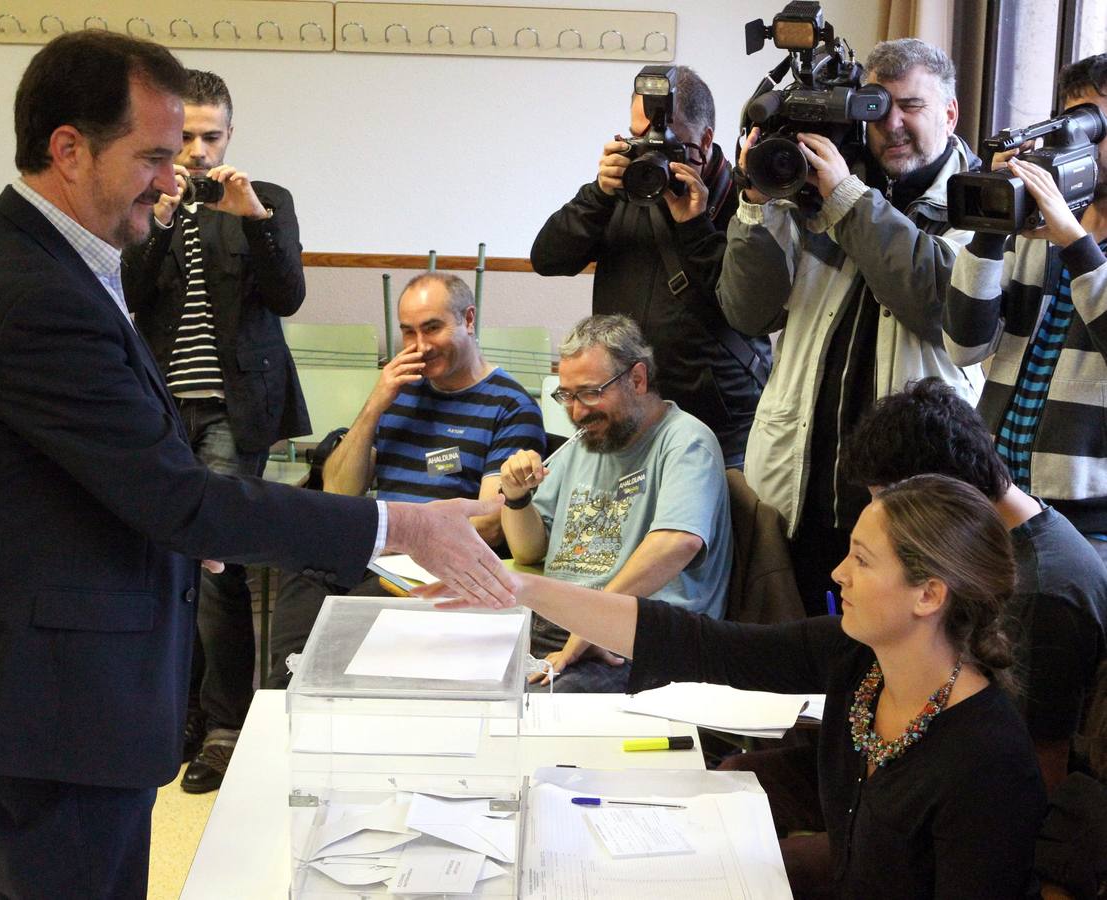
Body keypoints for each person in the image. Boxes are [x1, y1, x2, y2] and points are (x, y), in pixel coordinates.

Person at [0, 32, 513, 898]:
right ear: (68, 149)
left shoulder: (39, 259)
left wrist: (176, 528)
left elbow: (80, 473)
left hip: (39, 675)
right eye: (152, 154)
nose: (171, 177)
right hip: (54, 693)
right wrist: (398, 522)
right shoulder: (28, 292)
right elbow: (174, 495)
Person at [432, 475, 1048, 898]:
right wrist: (521, 590)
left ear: (929, 594)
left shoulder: (986, 762)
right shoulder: (858, 658)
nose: (838, 573)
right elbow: (700, 644)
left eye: (861, 559)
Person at [718, 38, 985, 612]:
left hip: (911, 493)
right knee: (790, 665)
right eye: (875, 106)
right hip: (802, 484)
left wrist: (846, 198)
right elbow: (748, 312)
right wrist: (757, 203)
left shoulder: (981, 205)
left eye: (910, 105)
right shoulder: (814, 188)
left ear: (950, 112)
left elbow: (941, 304)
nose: (891, 124)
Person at [121, 68, 309, 794]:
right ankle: (185, 711)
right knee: (168, 558)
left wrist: (253, 214)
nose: (196, 150)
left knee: (219, 564)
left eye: (211, 135)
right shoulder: (149, 201)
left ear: (230, 136)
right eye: (185, 136)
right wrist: (161, 221)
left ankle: (227, 724)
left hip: (239, 407)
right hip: (163, 405)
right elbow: (131, 296)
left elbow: (287, 296)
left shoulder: (266, 200)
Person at [267, 272, 545, 688]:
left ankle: (301, 694)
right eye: (408, 332)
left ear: (468, 320)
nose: (420, 346)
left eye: (433, 328)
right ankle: (285, 693)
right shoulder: (400, 394)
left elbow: (489, 523)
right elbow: (339, 491)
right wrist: (376, 403)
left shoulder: (510, 405)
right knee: (300, 565)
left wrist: (408, 539)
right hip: (374, 546)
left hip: (436, 561)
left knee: (333, 634)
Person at [842, 377, 1107, 792]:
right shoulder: (1009, 539)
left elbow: (1037, 772)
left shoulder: (1040, 590)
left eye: (889, 509)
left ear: (942, 494)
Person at [531, 66, 770, 468]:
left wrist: (695, 226)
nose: (651, 149)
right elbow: (548, 259)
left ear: (705, 139)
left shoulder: (746, 201)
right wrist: (598, 195)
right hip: (628, 417)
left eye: (665, 138)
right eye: (638, 136)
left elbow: (747, 307)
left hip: (718, 425)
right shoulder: (621, 191)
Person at [498, 314, 731, 692]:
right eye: (567, 395)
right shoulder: (588, 441)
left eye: (590, 393)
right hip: (562, 623)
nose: (576, 412)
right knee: (455, 674)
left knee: (533, 708)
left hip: (636, 637)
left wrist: (589, 628)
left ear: (637, 379)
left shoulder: (687, 441)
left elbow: (677, 543)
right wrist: (516, 496)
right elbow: (529, 551)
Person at [943, 52, 1107, 567]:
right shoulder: (1036, 230)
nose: (1089, 142)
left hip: (1091, 519)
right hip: (994, 497)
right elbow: (964, 344)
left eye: (1098, 124)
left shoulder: (1063, 235)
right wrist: (992, 227)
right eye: (1075, 121)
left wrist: (1075, 242)